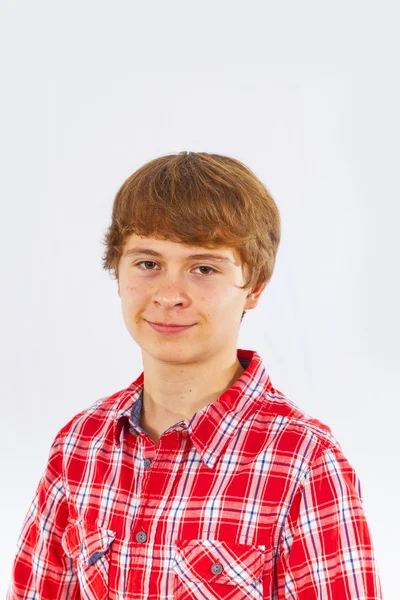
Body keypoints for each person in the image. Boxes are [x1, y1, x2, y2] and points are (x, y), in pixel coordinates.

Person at [7, 151, 383, 599]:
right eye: (148, 263)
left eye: (203, 268)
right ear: (118, 271)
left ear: (255, 287)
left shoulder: (303, 463)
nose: (169, 295)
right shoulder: (80, 446)